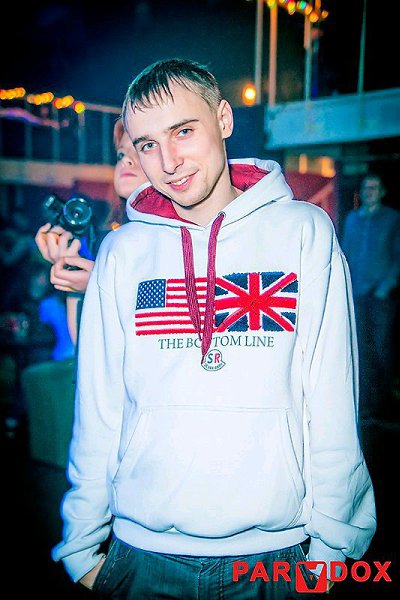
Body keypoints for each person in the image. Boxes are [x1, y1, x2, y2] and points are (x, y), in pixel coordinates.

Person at [52, 58, 376, 598]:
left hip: (276, 557)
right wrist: (82, 547)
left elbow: (332, 399)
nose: (168, 162)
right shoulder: (124, 252)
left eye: (183, 131)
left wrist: (331, 553)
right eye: (147, 144)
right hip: (141, 556)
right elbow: (99, 408)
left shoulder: (302, 232)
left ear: (223, 118)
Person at [34, 118, 148, 342]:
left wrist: (98, 285)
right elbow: (84, 345)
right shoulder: (111, 241)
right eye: (121, 154)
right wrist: (71, 271)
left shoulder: (177, 237)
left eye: (142, 149)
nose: (126, 161)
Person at [342, 173, 400, 421]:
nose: (369, 191)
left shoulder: (392, 219)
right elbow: (345, 253)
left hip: (380, 297)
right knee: (360, 350)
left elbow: (398, 256)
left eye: (374, 187)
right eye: (366, 187)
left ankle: (385, 406)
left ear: (382, 192)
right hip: (356, 294)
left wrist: (386, 286)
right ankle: (365, 404)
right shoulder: (352, 219)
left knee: (382, 349)